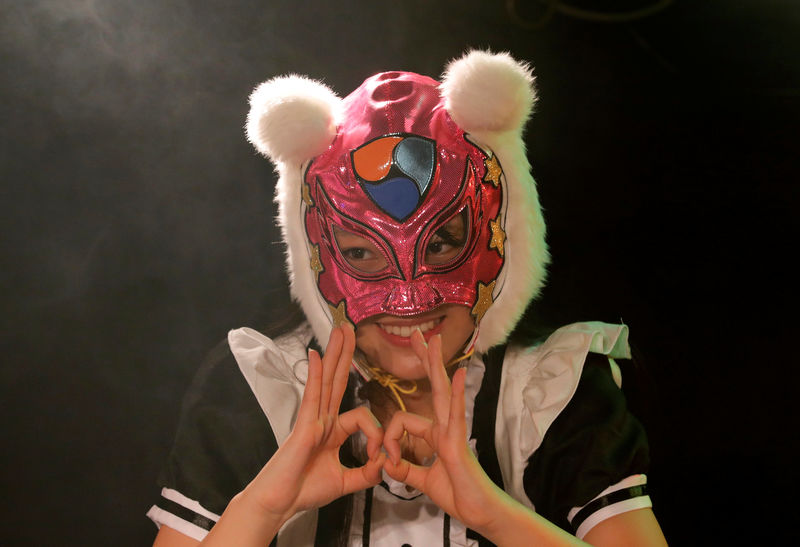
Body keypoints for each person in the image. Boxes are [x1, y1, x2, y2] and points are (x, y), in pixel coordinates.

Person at [148, 50, 667, 546]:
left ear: (501, 235)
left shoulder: (551, 393)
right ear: (316, 254)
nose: (410, 297)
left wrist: (493, 514)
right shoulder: (264, 389)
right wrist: (262, 508)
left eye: (441, 242)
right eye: (361, 252)